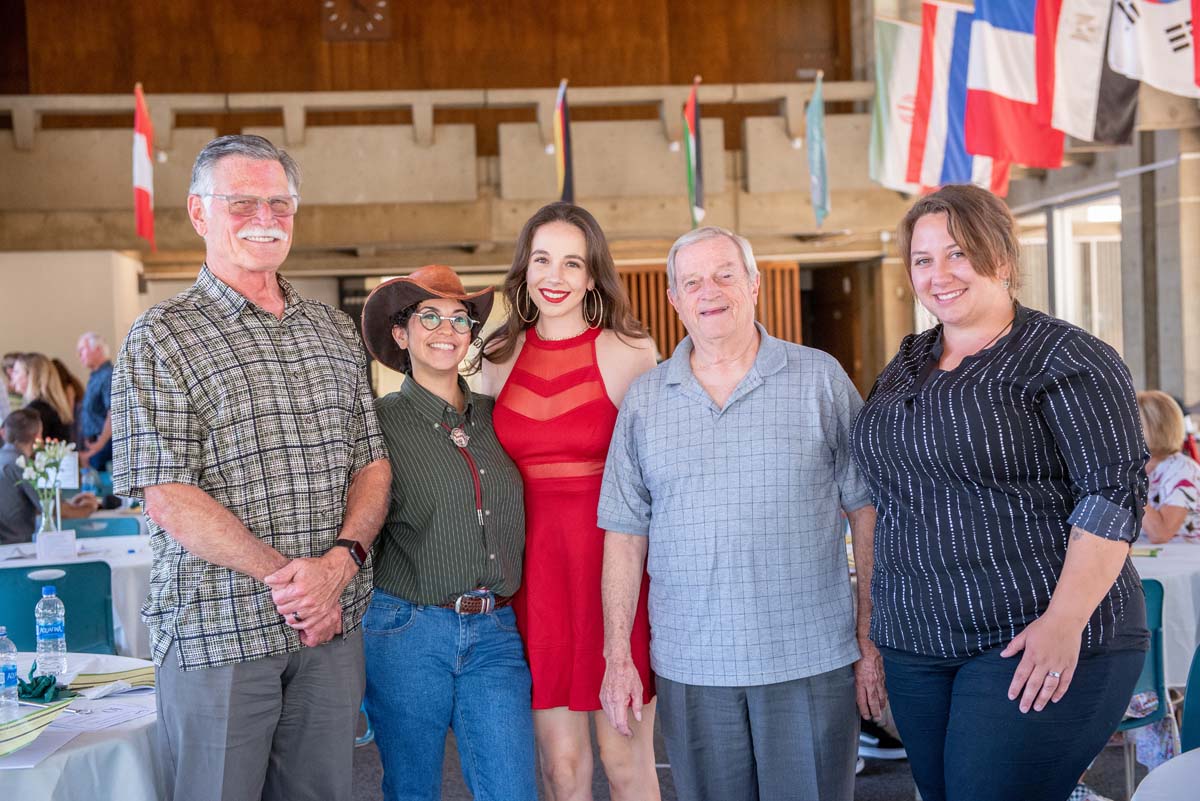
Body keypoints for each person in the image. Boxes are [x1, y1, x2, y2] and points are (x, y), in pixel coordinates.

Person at [111, 134, 391, 801]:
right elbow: (170, 496)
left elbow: (372, 467)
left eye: (279, 202)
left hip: (331, 633)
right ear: (200, 213)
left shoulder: (334, 330)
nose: (265, 217)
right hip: (218, 633)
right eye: (241, 202)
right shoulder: (161, 336)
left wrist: (340, 565)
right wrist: (300, 586)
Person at [850, 184, 1148, 801]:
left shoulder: (1065, 357)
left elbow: (1112, 496)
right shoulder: (909, 360)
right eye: (923, 260)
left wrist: (1063, 623)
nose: (939, 275)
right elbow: (886, 497)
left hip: (1031, 633)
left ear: (1003, 259)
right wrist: (874, 632)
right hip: (918, 642)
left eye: (958, 254)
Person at [598, 226, 882, 801]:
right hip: (691, 665)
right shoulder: (646, 401)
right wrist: (618, 658)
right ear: (675, 299)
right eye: (693, 280)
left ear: (753, 284)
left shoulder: (818, 378)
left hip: (809, 658)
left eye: (726, 274)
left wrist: (868, 638)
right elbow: (624, 536)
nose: (711, 290)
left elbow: (867, 510)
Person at [483, 202, 660, 800]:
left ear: (592, 275)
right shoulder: (495, 358)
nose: (554, 276)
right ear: (524, 269)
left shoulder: (630, 350)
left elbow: (656, 475)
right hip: (533, 577)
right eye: (541, 260)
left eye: (571, 262)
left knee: (625, 759)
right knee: (561, 767)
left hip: (614, 571)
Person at [359, 264, 537, 801]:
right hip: (407, 632)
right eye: (428, 316)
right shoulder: (376, 424)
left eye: (459, 319)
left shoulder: (501, 416)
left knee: (511, 790)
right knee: (411, 790)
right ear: (400, 334)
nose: (446, 329)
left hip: (496, 635)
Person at [0, 409, 98, 544]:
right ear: (37, 437)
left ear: (4, 432)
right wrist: (90, 507)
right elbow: (55, 511)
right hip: (16, 547)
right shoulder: (21, 465)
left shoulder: (4, 459)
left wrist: (67, 503)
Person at [1138, 390, 1200, 543]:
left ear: (1155, 428)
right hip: (1146, 558)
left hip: (1180, 561)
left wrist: (1130, 485)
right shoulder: (1138, 465)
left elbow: (1160, 534)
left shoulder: (1183, 469)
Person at [11, 353, 73, 442]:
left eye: (16, 372)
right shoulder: (48, 406)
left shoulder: (36, 410)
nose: (12, 376)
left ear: (32, 376)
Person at [75, 332, 114, 471]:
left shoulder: (108, 375)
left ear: (97, 349)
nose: (79, 355)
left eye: (82, 350)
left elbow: (113, 411)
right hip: (95, 444)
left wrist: (99, 445)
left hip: (105, 446)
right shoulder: (96, 375)